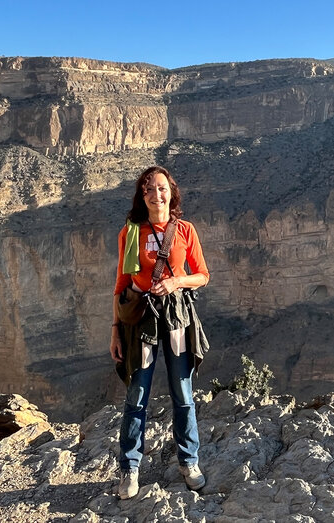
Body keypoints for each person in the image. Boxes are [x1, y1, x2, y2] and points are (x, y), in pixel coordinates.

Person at [109, 165, 210, 500]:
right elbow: (122, 285)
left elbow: (203, 275)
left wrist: (176, 281)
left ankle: (189, 462)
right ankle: (129, 468)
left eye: (162, 188)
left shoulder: (184, 230)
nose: (157, 194)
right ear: (142, 195)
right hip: (140, 321)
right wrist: (115, 331)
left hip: (177, 315)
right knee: (138, 393)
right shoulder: (131, 232)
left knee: (183, 392)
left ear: (172, 192)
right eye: (149, 189)